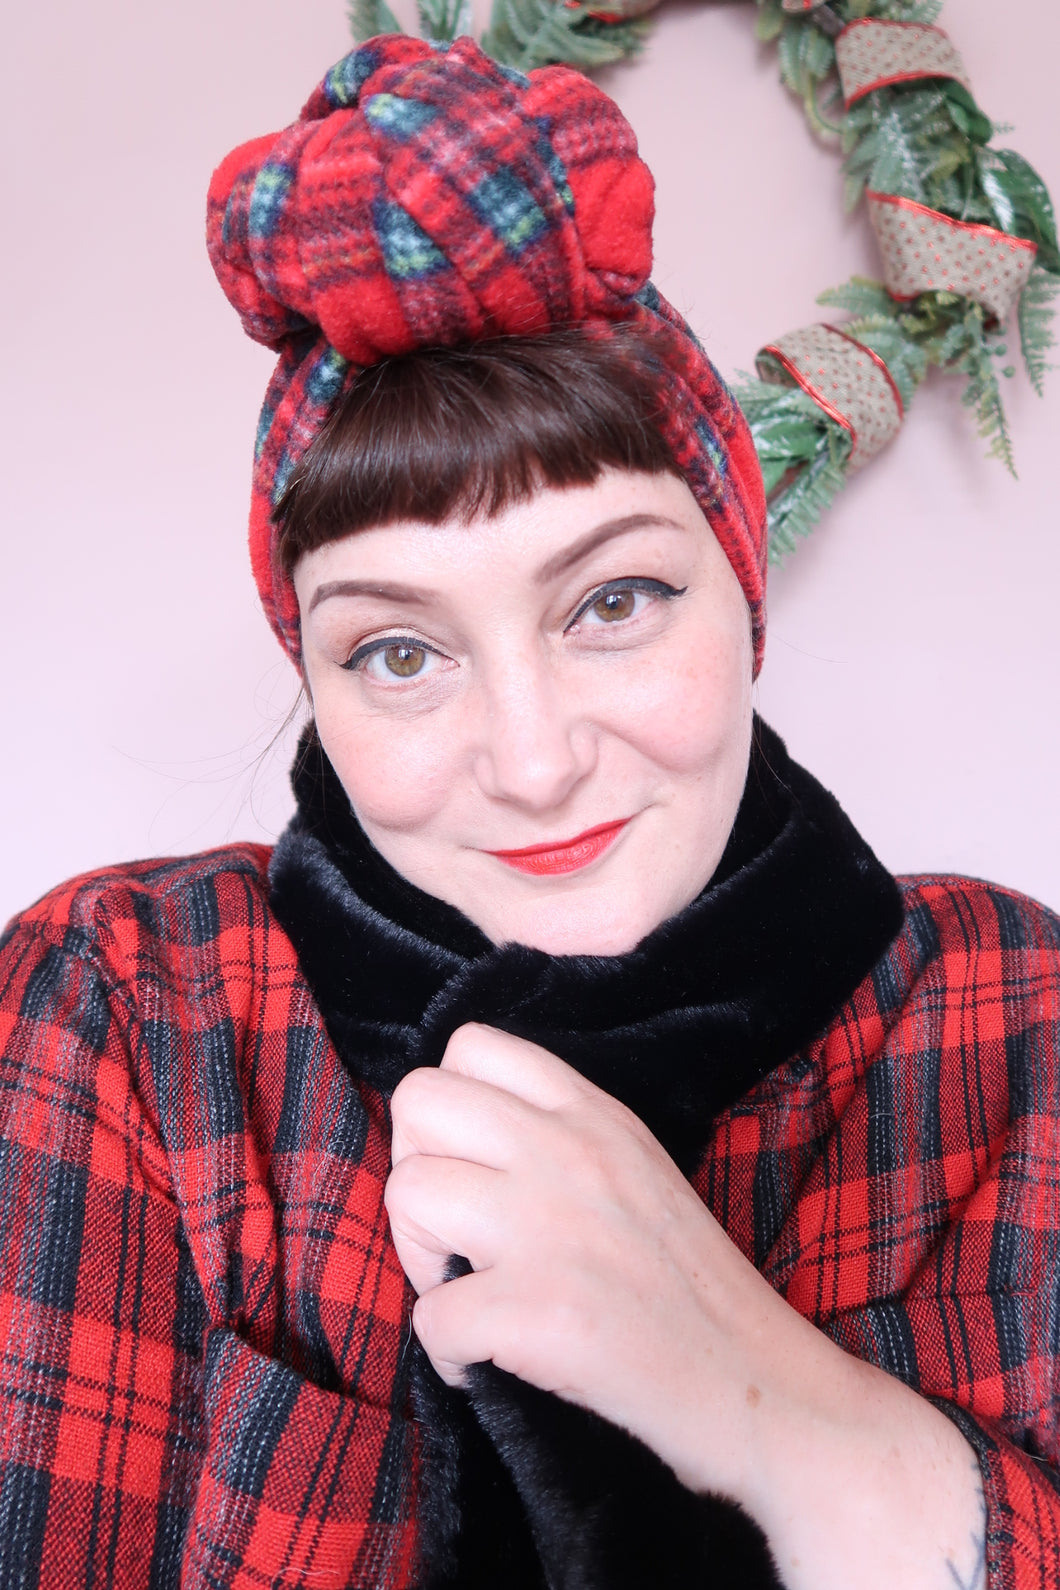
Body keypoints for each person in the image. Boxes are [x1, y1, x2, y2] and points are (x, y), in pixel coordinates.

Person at [0, 32, 1057, 1590]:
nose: (536, 759)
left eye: (614, 599)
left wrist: (760, 1391)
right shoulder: (133, 1007)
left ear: (741, 597)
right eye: (402, 650)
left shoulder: (1014, 1019)